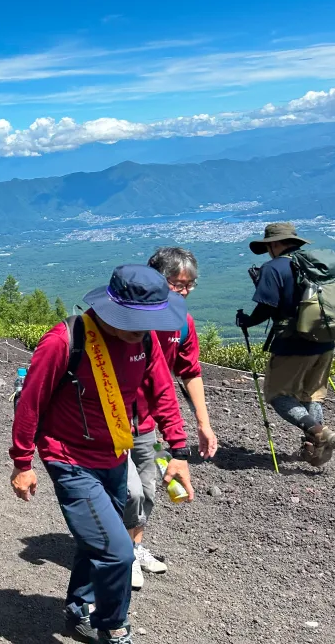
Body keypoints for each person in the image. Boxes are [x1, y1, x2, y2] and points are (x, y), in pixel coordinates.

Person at [10, 266, 194, 644]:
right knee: (118, 553)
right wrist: (22, 462)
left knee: (96, 541)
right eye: (136, 322)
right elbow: (30, 403)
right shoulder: (64, 341)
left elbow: (163, 393)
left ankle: (80, 610)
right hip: (69, 458)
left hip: (115, 455)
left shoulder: (145, 341)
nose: (144, 330)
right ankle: (113, 626)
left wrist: (178, 450)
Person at [122, 248, 219, 590]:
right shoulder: (129, 318)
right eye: (179, 284)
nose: (186, 291)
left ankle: (133, 548)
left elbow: (189, 372)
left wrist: (203, 424)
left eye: (191, 284)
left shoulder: (183, 323)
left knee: (147, 489)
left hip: (149, 421)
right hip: (112, 419)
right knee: (129, 491)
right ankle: (121, 556)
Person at [236, 222, 335, 466]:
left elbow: (267, 307)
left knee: (278, 395)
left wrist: (247, 320)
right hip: (326, 340)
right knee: (311, 395)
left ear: (274, 244)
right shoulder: (315, 264)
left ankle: (319, 433)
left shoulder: (273, 268)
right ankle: (315, 449)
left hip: (293, 344)